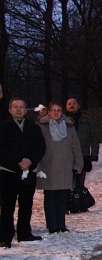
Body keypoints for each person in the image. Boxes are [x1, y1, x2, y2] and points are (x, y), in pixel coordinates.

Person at [0, 98, 46, 248]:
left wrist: (30, 161)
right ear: (10, 110)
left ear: (26, 110)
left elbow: (40, 147)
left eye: (22, 107)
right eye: (15, 107)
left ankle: (24, 233)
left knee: (26, 204)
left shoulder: (33, 127)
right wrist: (17, 163)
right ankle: (5, 235)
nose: (19, 110)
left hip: (29, 171)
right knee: (7, 205)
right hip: (8, 172)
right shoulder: (3, 127)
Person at [36, 102, 84, 234]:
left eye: (59, 110)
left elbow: (76, 146)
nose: (56, 113)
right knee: (50, 196)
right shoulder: (41, 126)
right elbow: (36, 147)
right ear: (48, 112)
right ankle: (52, 225)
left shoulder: (69, 126)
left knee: (62, 196)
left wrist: (78, 164)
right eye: (53, 110)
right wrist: (38, 166)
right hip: (48, 166)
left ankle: (61, 224)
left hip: (65, 166)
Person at [65, 98, 99, 184]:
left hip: (83, 156)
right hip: (66, 158)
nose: (72, 105)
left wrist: (94, 154)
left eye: (74, 103)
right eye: (69, 104)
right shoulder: (62, 121)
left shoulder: (87, 120)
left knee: (80, 184)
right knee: (67, 185)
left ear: (78, 106)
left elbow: (94, 137)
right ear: (66, 107)